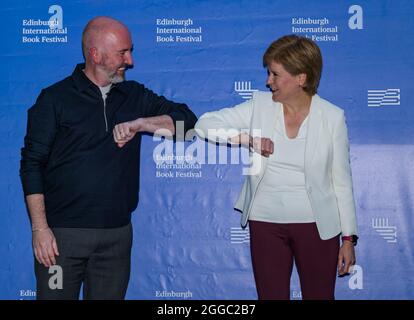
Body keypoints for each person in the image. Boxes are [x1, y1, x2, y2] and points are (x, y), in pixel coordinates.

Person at [20, 16, 197, 300]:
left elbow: (188, 125)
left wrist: (142, 124)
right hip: (61, 240)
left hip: (116, 238)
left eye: (130, 51)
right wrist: (40, 230)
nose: (131, 60)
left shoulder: (134, 95)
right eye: (122, 52)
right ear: (95, 54)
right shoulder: (54, 99)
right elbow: (31, 164)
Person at [195, 35, 358, 300]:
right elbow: (203, 125)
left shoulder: (332, 117)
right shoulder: (258, 106)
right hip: (265, 223)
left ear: (301, 78)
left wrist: (348, 239)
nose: (267, 81)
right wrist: (248, 140)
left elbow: (342, 181)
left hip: (317, 226)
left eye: (274, 74)